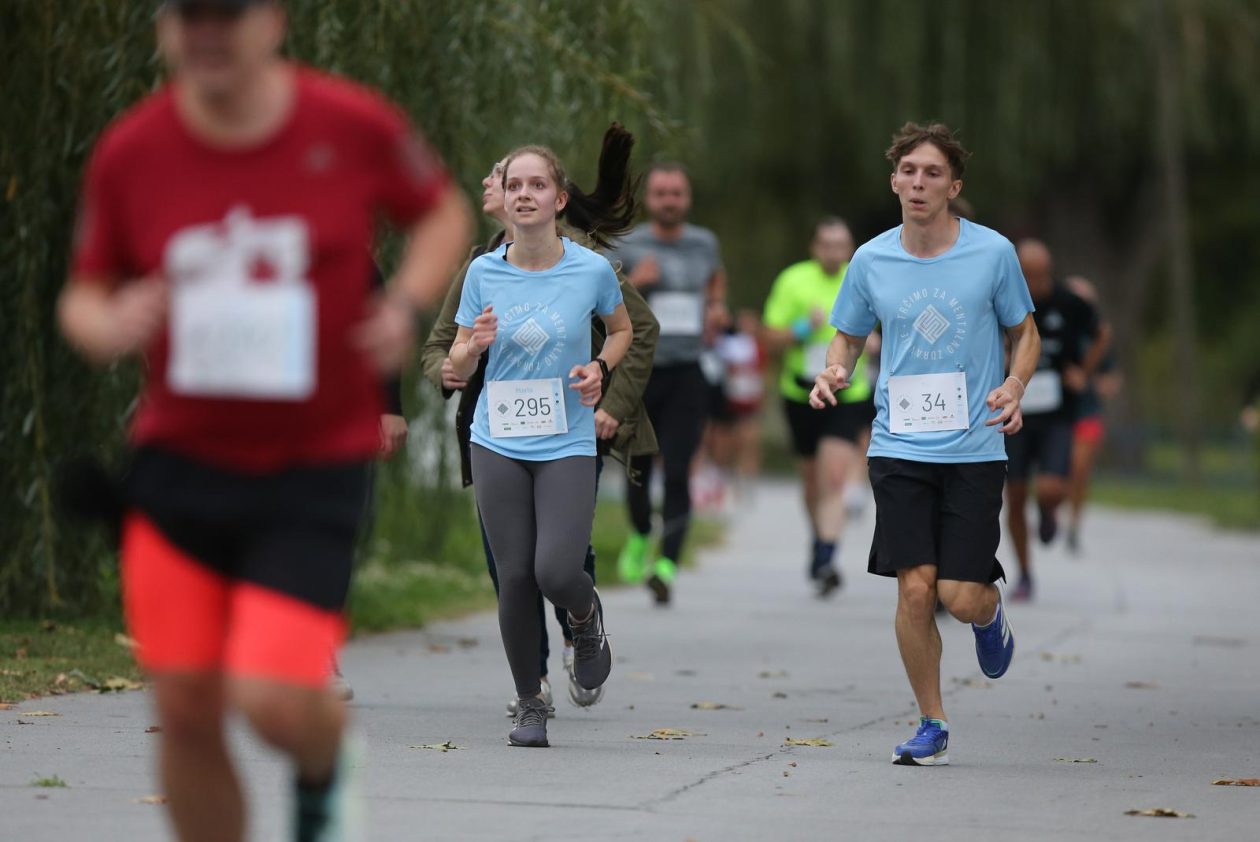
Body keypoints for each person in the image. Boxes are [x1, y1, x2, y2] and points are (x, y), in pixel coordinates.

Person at [57, 2, 471, 839]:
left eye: (228, 13)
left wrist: (403, 303)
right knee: (185, 704)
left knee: (273, 698)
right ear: (164, 28)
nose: (207, 32)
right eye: (187, 15)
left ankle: (326, 765)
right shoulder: (133, 150)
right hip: (178, 459)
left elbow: (440, 211)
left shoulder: (348, 123)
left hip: (312, 462)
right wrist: (109, 322)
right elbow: (84, 294)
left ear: (272, 21)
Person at [812, 122, 1040, 766]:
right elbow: (848, 336)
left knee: (957, 596)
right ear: (894, 180)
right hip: (899, 443)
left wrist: (1015, 383)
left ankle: (990, 613)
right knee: (915, 589)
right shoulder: (871, 259)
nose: (918, 182)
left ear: (953, 186)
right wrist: (836, 371)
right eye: (908, 171)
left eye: (932, 173)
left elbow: (1026, 333)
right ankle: (932, 720)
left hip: (973, 446)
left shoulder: (992, 253)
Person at [420, 125, 659, 717]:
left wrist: (606, 390)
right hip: (495, 433)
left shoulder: (589, 266)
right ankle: (532, 694)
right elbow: (445, 346)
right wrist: (455, 364)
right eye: (509, 181)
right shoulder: (481, 269)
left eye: (531, 182)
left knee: (559, 567)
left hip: (570, 432)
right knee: (513, 574)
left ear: (556, 196)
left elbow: (633, 328)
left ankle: (584, 623)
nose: (510, 190)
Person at [611, 162, 728, 604]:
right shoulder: (628, 244)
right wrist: (634, 281)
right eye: (661, 193)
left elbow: (716, 280)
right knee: (638, 467)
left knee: (678, 470)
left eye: (676, 193)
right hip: (639, 372)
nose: (669, 201)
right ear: (649, 200)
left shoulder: (704, 243)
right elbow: (602, 300)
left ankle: (667, 565)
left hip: (687, 370)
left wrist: (716, 307)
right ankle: (641, 533)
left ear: (687, 198)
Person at [763, 218, 876, 596]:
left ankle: (827, 556)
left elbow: (880, 326)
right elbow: (769, 337)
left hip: (848, 393)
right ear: (815, 247)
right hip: (800, 393)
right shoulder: (793, 280)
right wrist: (798, 329)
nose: (832, 252)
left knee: (833, 477)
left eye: (840, 245)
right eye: (825, 244)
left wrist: (873, 342)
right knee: (811, 478)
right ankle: (819, 538)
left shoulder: (860, 279)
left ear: (849, 249)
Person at [1004, 242, 1111, 599]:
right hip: (1014, 413)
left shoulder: (1068, 301)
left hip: (1056, 414)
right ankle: (1024, 573)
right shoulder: (1004, 299)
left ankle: (1049, 511)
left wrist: (1083, 370)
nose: (1033, 284)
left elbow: (1102, 333)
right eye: (1026, 276)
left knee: (1050, 488)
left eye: (1039, 275)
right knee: (1015, 496)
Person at [1064, 276, 1118, 555]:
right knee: (1057, 471)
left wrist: (1087, 380)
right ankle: (1052, 510)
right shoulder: (1056, 330)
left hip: (1087, 412)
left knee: (1080, 469)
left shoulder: (1097, 339)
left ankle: (1073, 523)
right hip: (1058, 414)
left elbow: (1112, 383)